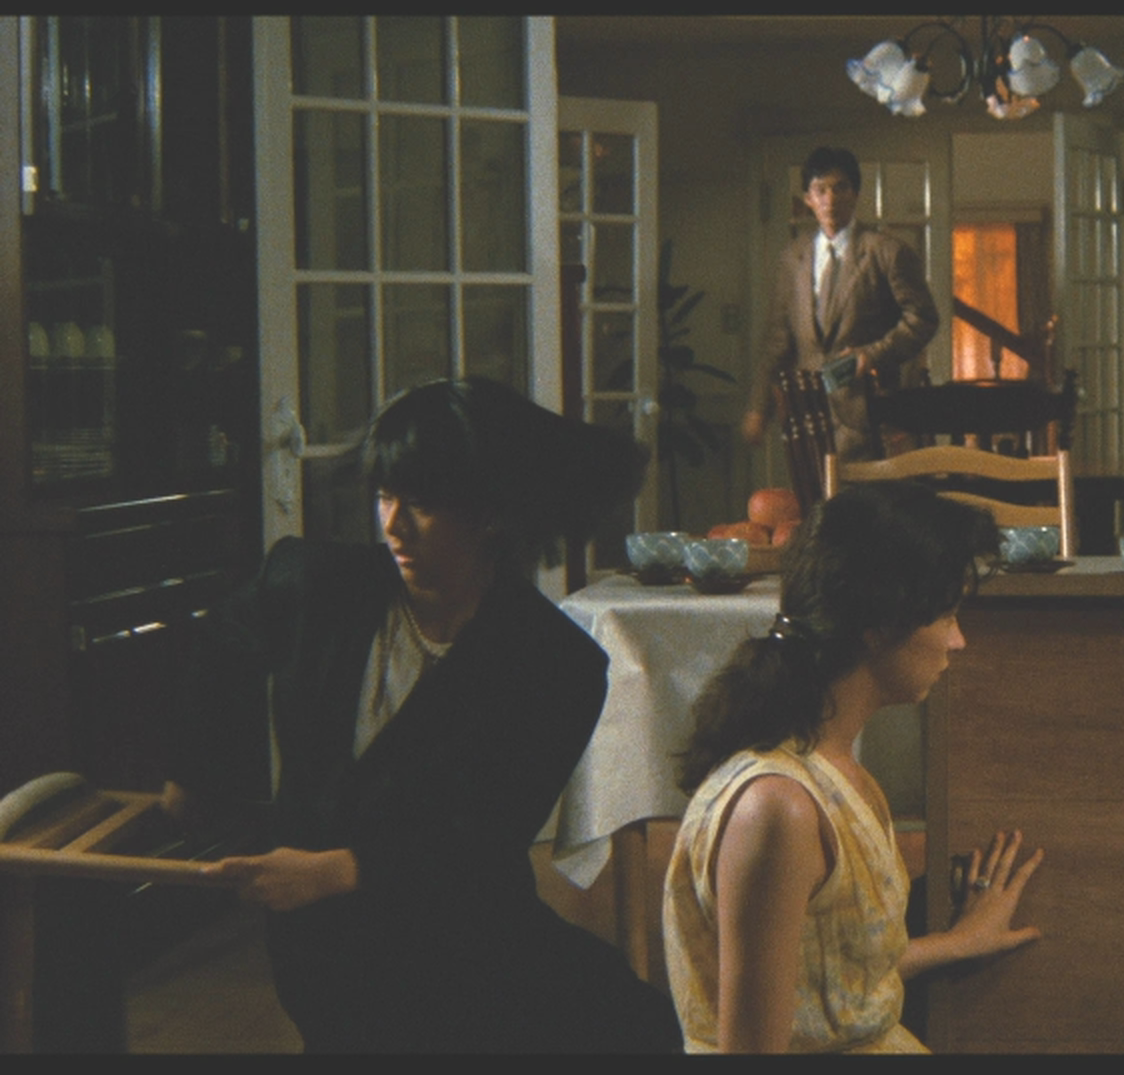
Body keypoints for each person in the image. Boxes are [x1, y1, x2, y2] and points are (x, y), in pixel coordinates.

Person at [163, 376, 682, 1053]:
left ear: (489, 515)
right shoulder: (316, 585)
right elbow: (221, 643)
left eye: (423, 504)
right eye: (385, 496)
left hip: (463, 930)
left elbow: (481, 840)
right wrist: (197, 777)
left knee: (643, 1030)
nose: (392, 524)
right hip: (327, 945)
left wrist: (338, 869)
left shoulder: (556, 664)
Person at [663, 481, 1042, 1053]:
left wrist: (959, 942)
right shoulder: (776, 809)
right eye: (946, 616)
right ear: (879, 626)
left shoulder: (836, 771)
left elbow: (825, 981)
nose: (959, 641)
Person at [740, 145, 940, 462]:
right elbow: (778, 340)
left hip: (870, 416)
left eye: (840, 188)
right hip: (807, 419)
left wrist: (871, 355)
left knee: (867, 494)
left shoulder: (886, 252)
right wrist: (758, 408)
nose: (830, 200)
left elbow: (923, 318)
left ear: (855, 193)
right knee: (813, 494)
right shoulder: (793, 258)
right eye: (821, 190)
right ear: (808, 198)